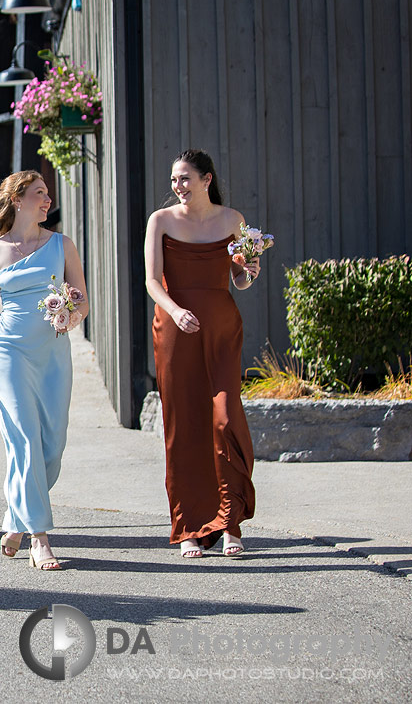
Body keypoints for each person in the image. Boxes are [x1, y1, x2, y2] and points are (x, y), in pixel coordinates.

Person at [0, 172, 89, 570]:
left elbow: (82, 300)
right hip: (9, 354)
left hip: (52, 355)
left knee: (52, 444)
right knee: (26, 443)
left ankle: (17, 518)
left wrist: (71, 317)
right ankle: (40, 538)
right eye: (39, 194)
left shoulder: (61, 244)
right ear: (17, 200)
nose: (47, 200)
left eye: (48, 194)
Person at [145, 149, 260, 559]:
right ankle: (189, 526)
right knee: (184, 425)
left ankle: (230, 522)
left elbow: (239, 279)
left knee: (225, 418)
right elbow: (152, 281)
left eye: (185, 178)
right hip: (176, 330)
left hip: (222, 329)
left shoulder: (233, 221)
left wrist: (248, 274)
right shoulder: (160, 221)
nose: (178, 186)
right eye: (174, 180)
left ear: (206, 180)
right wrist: (175, 312)